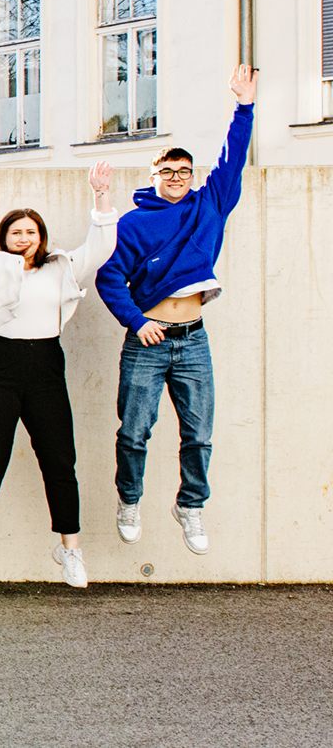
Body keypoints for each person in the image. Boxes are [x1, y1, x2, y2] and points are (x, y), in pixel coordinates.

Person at [97, 65, 257, 557]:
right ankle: (129, 501)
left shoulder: (209, 206)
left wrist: (244, 107)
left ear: (193, 176)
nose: (176, 178)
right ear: (153, 177)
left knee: (199, 434)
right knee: (135, 432)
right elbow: (109, 278)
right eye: (167, 172)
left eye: (184, 172)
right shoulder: (132, 224)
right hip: (147, 341)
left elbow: (232, 160)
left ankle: (190, 506)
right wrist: (137, 321)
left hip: (193, 338)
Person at [0, 154, 118, 588]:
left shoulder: (61, 266)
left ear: (41, 236)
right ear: (4, 237)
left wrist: (101, 195)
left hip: (46, 363)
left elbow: (102, 245)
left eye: (30, 231)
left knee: (60, 459)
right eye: (16, 232)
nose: (23, 237)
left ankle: (71, 550)